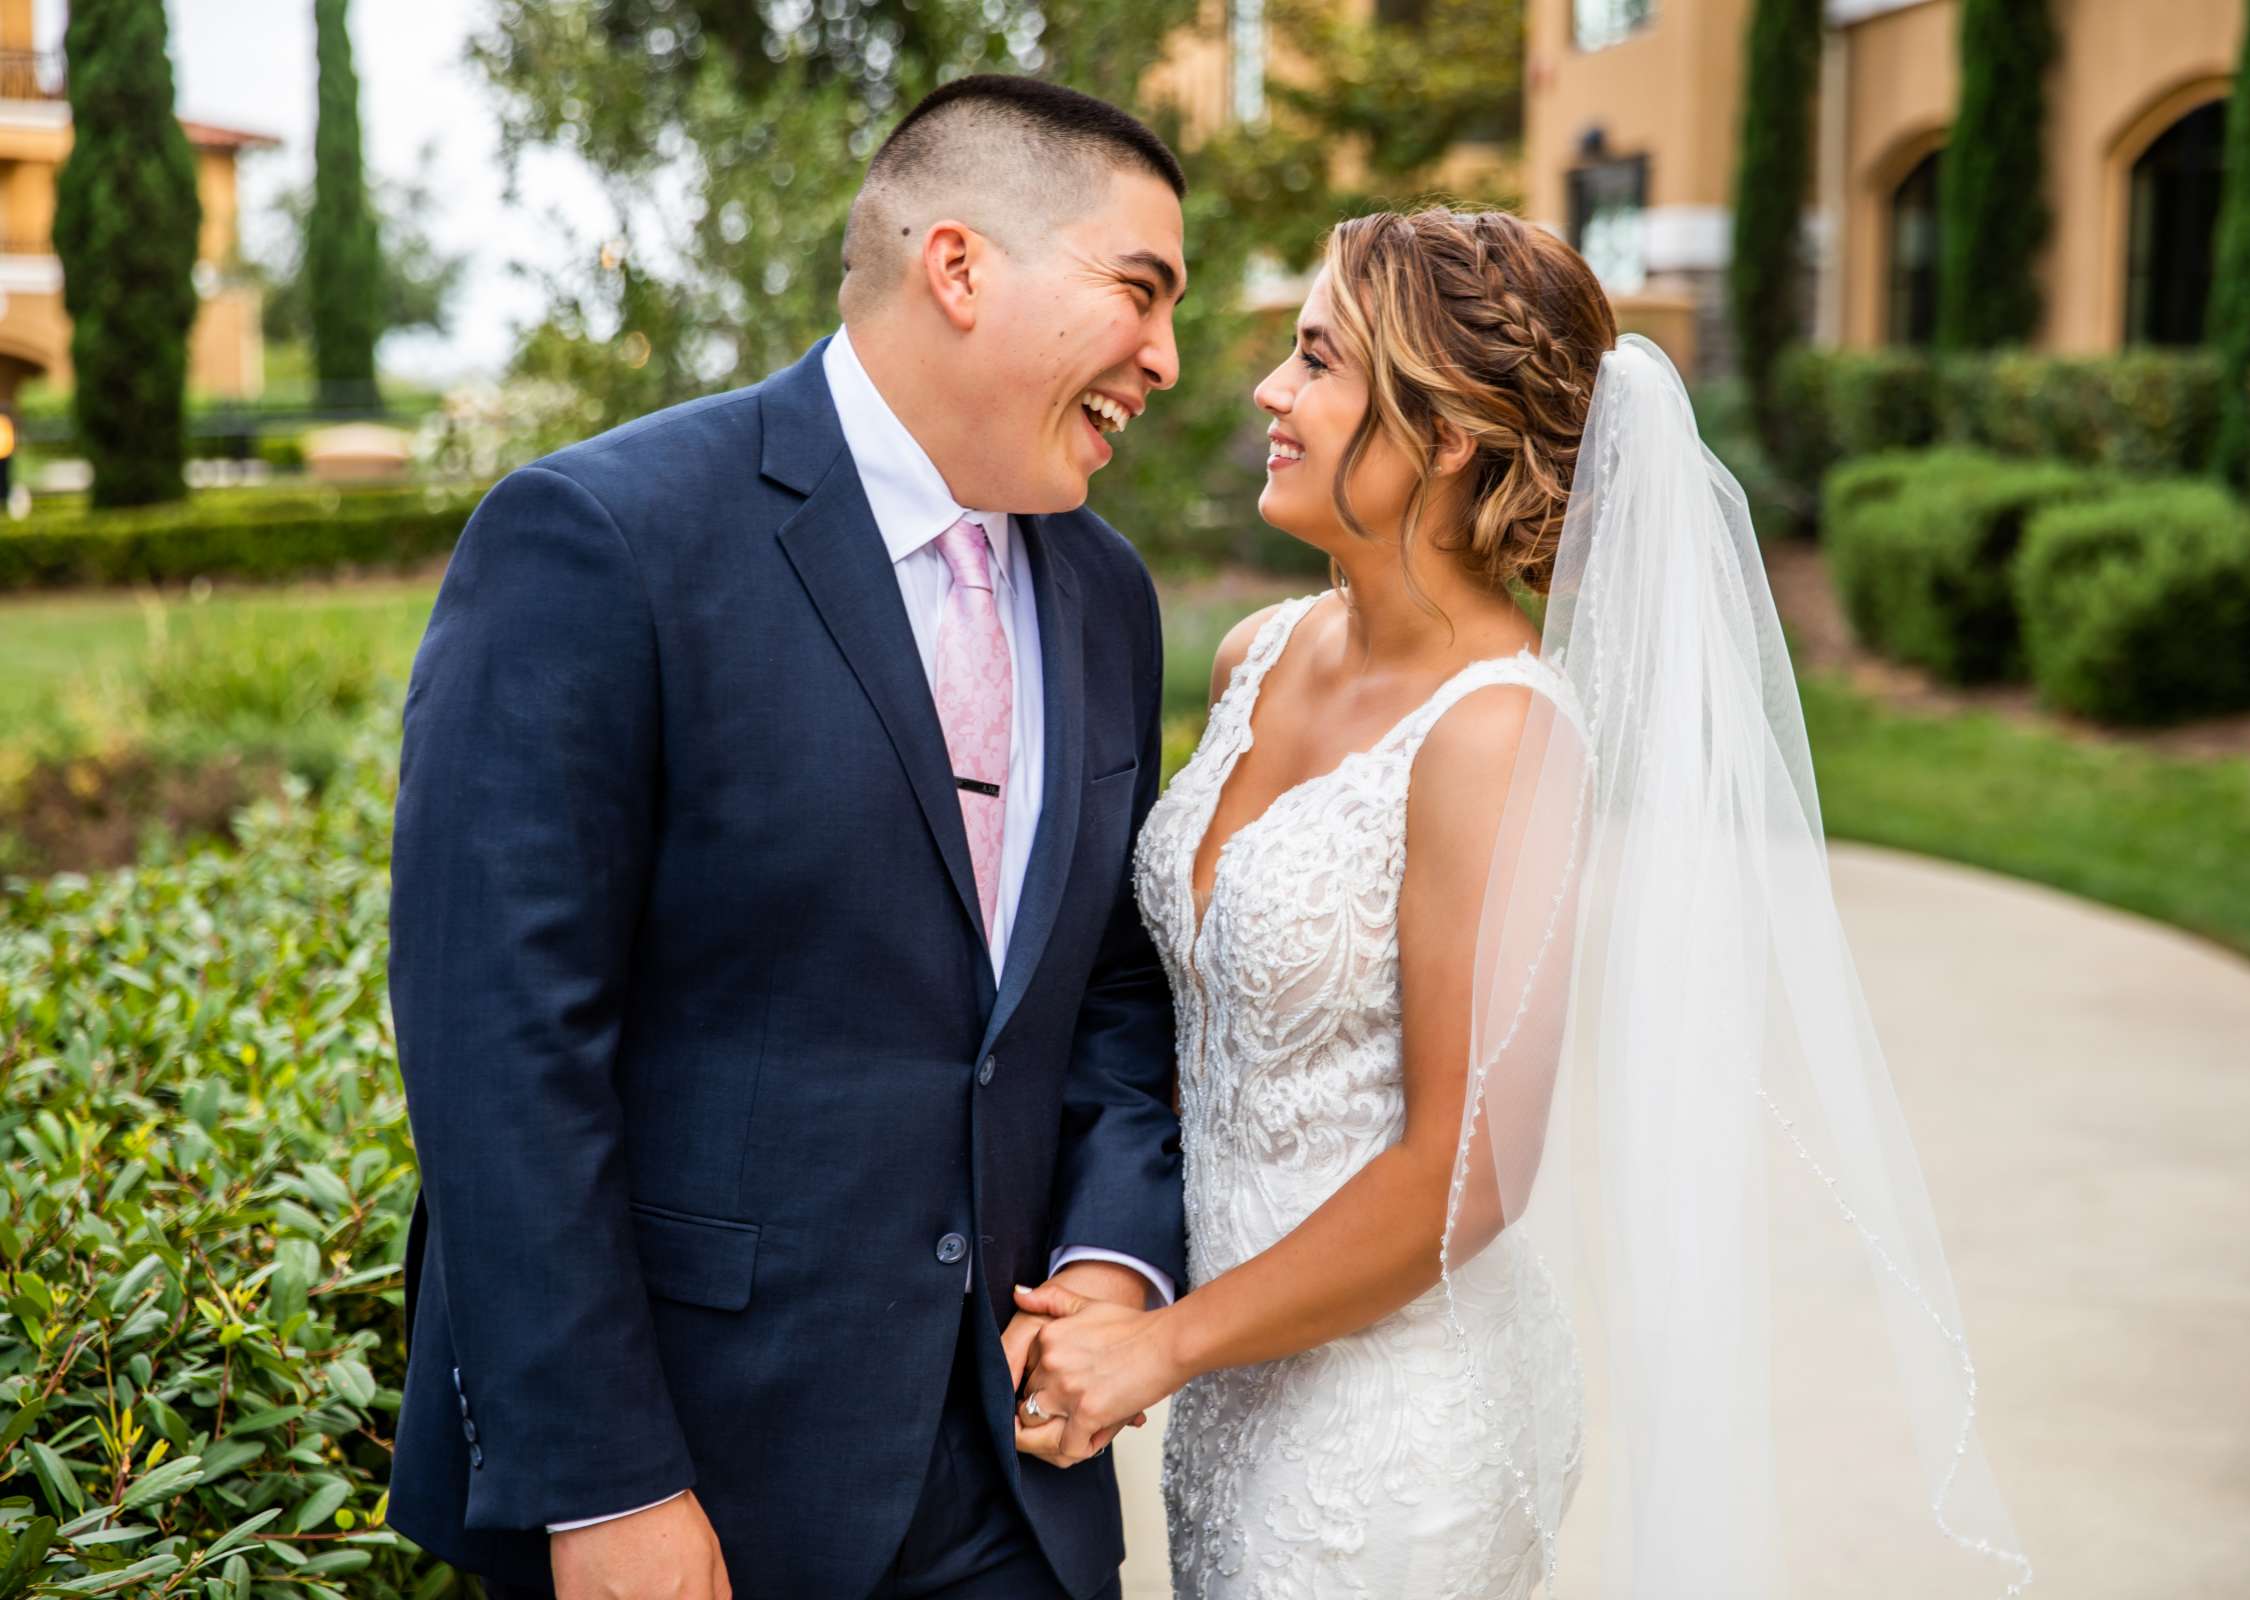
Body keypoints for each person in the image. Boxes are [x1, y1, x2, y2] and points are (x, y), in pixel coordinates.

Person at [1014, 209, 2033, 1597]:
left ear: (1445, 435)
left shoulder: (1498, 733)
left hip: (1390, 1437)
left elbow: (1467, 1176)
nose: (1268, 391)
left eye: (1317, 360)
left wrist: (1162, 1346)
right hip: (1231, 1400)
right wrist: (1116, 1277)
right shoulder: (1261, 654)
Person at [386, 75, 1189, 1600]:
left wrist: (1111, 1258)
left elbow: (1108, 992)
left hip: (1015, 1495)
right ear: (958, 268)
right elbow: (499, 1049)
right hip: (695, 1484)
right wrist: (604, 1481)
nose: (1163, 356)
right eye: (1138, 292)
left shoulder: (1108, 596)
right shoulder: (601, 540)